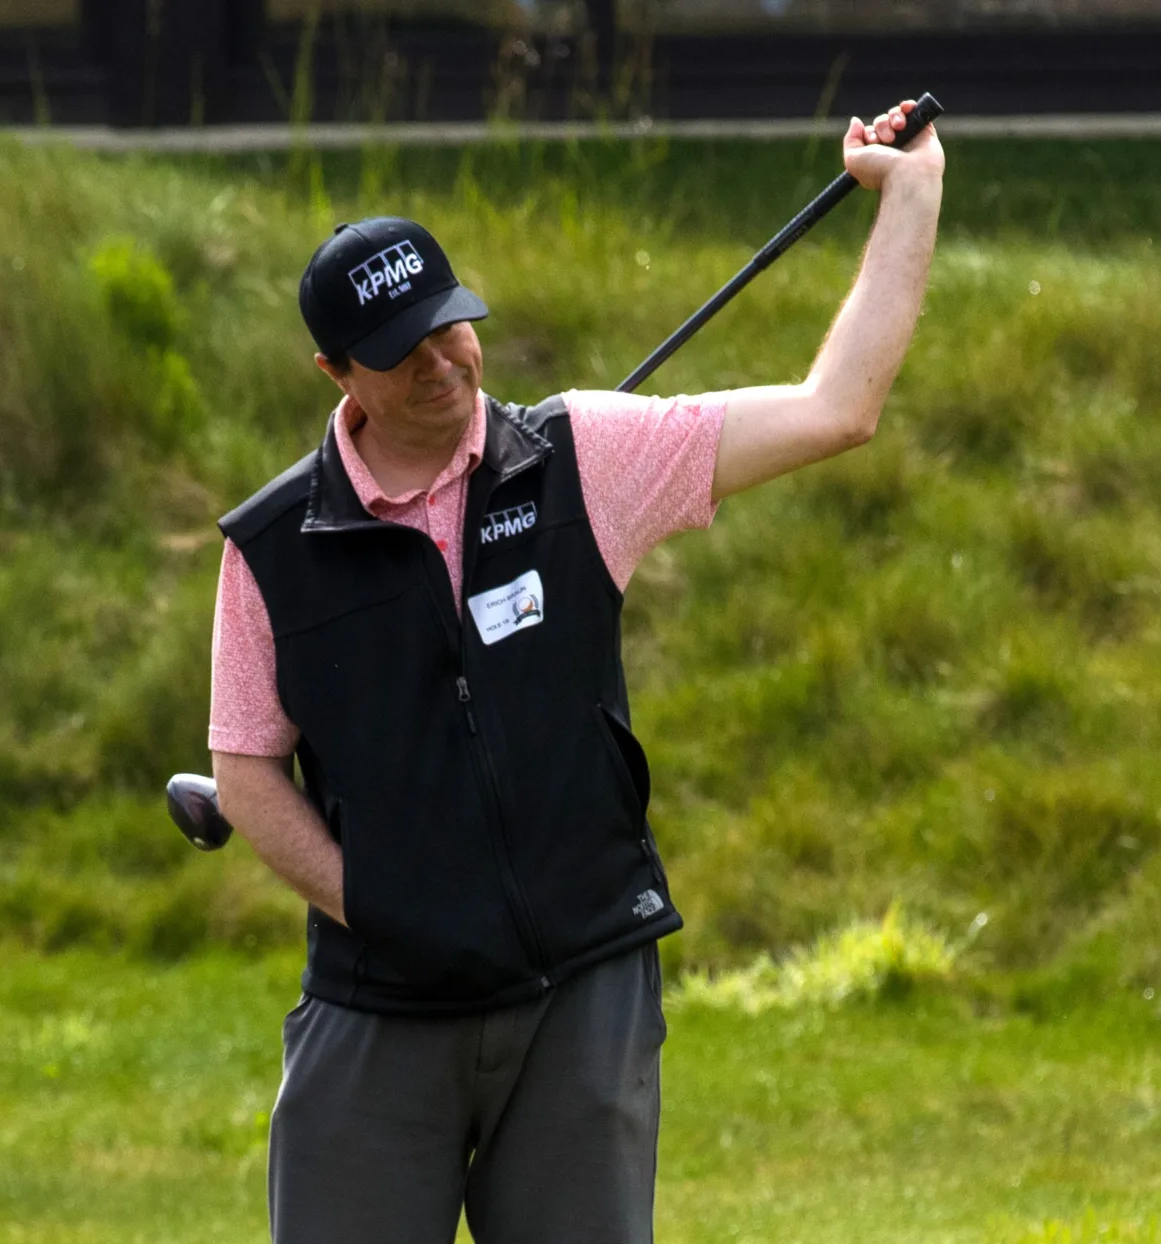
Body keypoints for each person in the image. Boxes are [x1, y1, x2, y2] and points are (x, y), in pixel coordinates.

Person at [206, 99, 944, 1244]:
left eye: (451, 325)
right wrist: (378, 905)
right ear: (334, 369)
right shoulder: (269, 549)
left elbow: (834, 410)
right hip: (381, 1004)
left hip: (580, 988)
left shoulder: (584, 458)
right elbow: (245, 765)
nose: (441, 361)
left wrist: (909, 194)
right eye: (399, 349)